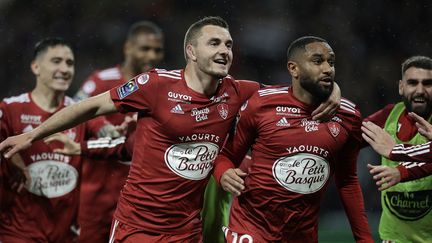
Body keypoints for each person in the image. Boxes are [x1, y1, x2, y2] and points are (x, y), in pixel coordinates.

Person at [0, 17, 339, 242]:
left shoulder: (238, 91)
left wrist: (333, 91)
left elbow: (295, 90)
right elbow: (89, 106)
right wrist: (33, 135)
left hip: (186, 231)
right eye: (215, 43)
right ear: (191, 51)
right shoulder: (156, 84)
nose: (224, 50)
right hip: (138, 227)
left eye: (229, 44)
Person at [213, 36, 372, 242]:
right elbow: (226, 155)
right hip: (251, 229)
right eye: (317, 61)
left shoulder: (349, 117)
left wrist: (365, 239)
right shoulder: (261, 104)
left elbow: (347, 181)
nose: (327, 69)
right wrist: (223, 173)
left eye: (331, 62)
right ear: (293, 69)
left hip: (302, 235)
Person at [0, 37, 110, 242]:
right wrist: (11, 160)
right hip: (17, 231)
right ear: (35, 66)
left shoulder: (79, 111)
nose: (65, 68)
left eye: (70, 63)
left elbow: (106, 131)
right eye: (56, 61)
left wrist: (115, 131)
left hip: (65, 233)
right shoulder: (10, 108)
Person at [73, 20, 165, 243]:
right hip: (94, 198)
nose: (151, 56)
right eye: (145, 49)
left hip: (138, 203)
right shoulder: (101, 81)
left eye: (157, 50)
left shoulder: (163, 88)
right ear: (128, 48)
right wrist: (101, 126)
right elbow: (73, 111)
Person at [361, 55, 432, 242]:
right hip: (393, 238)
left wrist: (398, 163)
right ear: (401, 87)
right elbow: (348, 133)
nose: (420, 90)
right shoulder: (388, 116)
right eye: (412, 83)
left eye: (428, 83)